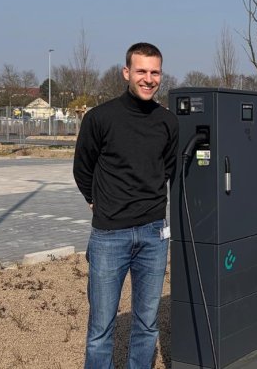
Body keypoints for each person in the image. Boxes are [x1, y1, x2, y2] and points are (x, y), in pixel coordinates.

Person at [73, 42, 178, 369]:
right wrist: (96, 201)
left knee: (147, 324)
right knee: (101, 328)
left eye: (155, 72)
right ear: (126, 73)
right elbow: (82, 167)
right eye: (141, 71)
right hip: (109, 236)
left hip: (153, 236)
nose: (149, 79)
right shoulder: (100, 118)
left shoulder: (167, 122)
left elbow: (169, 169)